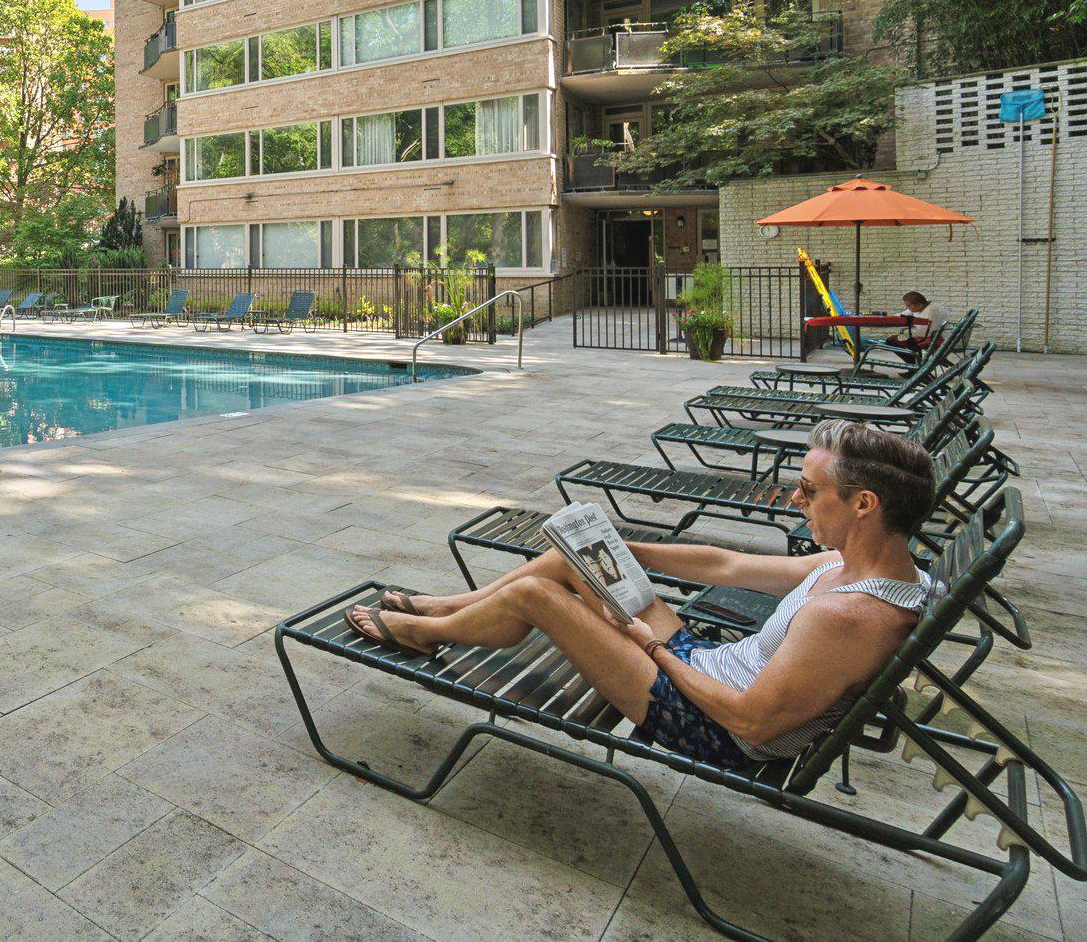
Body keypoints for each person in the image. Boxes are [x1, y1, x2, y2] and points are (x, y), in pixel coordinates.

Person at [344, 420, 938, 767]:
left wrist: (651, 647)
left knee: (538, 598)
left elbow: (752, 723)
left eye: (810, 491)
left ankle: (423, 631)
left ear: (864, 504)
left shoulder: (849, 615)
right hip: (705, 665)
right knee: (567, 558)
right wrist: (623, 547)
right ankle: (447, 605)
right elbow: (727, 564)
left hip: (708, 722)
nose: (796, 501)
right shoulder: (856, 564)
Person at [883, 290, 949, 363]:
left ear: (919, 305)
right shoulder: (922, 306)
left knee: (891, 341)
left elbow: (923, 333)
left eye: (909, 306)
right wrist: (887, 318)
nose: (908, 308)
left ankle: (914, 367)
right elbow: (904, 314)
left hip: (938, 338)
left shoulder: (931, 312)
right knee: (898, 340)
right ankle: (913, 367)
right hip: (932, 335)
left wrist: (900, 337)